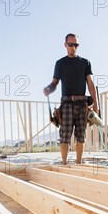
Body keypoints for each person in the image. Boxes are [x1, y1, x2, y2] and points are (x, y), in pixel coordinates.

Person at [43, 33, 98, 165]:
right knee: (65, 136)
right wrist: (48, 89)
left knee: (81, 136)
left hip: (82, 104)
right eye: (71, 45)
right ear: (65, 45)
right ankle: (64, 163)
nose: (74, 47)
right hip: (66, 104)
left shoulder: (85, 63)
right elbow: (55, 83)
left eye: (76, 45)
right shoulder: (60, 63)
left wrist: (95, 104)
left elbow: (90, 83)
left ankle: (79, 163)